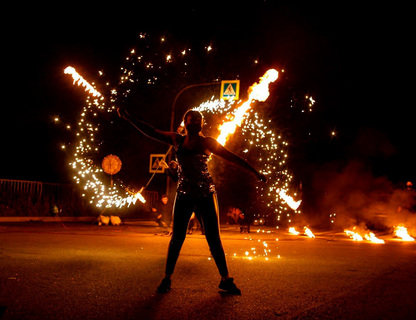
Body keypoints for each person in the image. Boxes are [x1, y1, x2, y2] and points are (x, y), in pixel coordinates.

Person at [117, 108, 266, 295]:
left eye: (196, 121)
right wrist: (131, 118)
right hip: (185, 195)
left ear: (200, 124)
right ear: (185, 124)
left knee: (213, 239)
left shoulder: (207, 143)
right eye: (190, 121)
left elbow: (232, 158)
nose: (193, 124)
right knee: (177, 238)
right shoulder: (177, 140)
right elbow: (151, 131)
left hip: (205, 194)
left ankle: (225, 279)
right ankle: (167, 278)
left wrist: (255, 172)